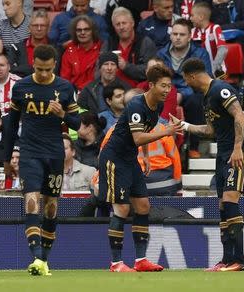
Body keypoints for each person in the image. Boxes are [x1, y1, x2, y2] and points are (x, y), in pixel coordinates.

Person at [3, 44, 81, 276]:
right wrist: (7, 158)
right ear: (34, 65)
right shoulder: (21, 87)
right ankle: (37, 256)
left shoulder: (65, 88)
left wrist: (63, 116)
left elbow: (79, 124)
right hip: (29, 152)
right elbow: (10, 124)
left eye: (47, 69)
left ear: (54, 65)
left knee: (50, 207)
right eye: (39, 69)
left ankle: (44, 260)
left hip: (55, 153)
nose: (44, 73)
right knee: (31, 201)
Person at [99, 64, 182, 272]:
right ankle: (116, 263)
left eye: (169, 86)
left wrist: (144, 155)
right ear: (151, 85)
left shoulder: (158, 105)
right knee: (122, 208)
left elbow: (146, 129)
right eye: (163, 86)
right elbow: (137, 136)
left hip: (130, 159)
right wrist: (167, 131)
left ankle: (141, 260)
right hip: (114, 159)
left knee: (143, 206)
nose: (166, 90)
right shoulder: (137, 104)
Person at [176, 57, 244, 272]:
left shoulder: (220, 89)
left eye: (185, 79)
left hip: (238, 152)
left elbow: (239, 114)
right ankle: (227, 260)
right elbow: (211, 130)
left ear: (192, 76)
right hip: (223, 154)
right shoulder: (206, 97)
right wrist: (184, 126)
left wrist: (238, 147)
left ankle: (239, 261)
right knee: (222, 207)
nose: (186, 83)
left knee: (230, 201)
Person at [157, 18, 212, 158]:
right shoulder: (161, 54)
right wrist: (172, 93)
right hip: (167, 93)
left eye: (182, 35)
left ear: (189, 37)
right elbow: (157, 79)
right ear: (170, 35)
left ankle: (194, 146)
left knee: (195, 100)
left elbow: (205, 81)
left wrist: (182, 94)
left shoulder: (200, 54)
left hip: (192, 92)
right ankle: (160, 143)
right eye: (175, 34)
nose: (177, 37)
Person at [103, 7, 157, 87]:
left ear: (132, 23)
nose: (121, 27)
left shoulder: (145, 42)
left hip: (136, 90)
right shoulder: (109, 43)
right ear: (114, 27)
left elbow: (151, 71)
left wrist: (126, 66)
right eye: (118, 24)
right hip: (111, 88)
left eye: (124, 23)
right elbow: (99, 67)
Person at [60, 15, 102, 91]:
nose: (82, 33)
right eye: (79, 30)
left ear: (92, 31)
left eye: (86, 29)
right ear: (75, 32)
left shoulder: (101, 50)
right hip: (73, 93)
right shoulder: (69, 53)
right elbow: (64, 80)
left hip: (94, 92)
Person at [6, 9, 50, 78]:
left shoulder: (56, 48)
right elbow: (9, 69)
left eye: (43, 25)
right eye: (35, 25)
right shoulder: (16, 48)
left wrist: (24, 69)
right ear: (29, 28)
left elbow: (55, 72)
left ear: (48, 28)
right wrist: (32, 70)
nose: (39, 29)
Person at [190, 2, 228, 78]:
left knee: (219, 87)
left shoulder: (215, 28)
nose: (190, 18)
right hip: (199, 72)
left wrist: (214, 68)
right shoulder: (192, 31)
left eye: (192, 15)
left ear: (201, 17)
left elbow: (223, 50)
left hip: (218, 70)